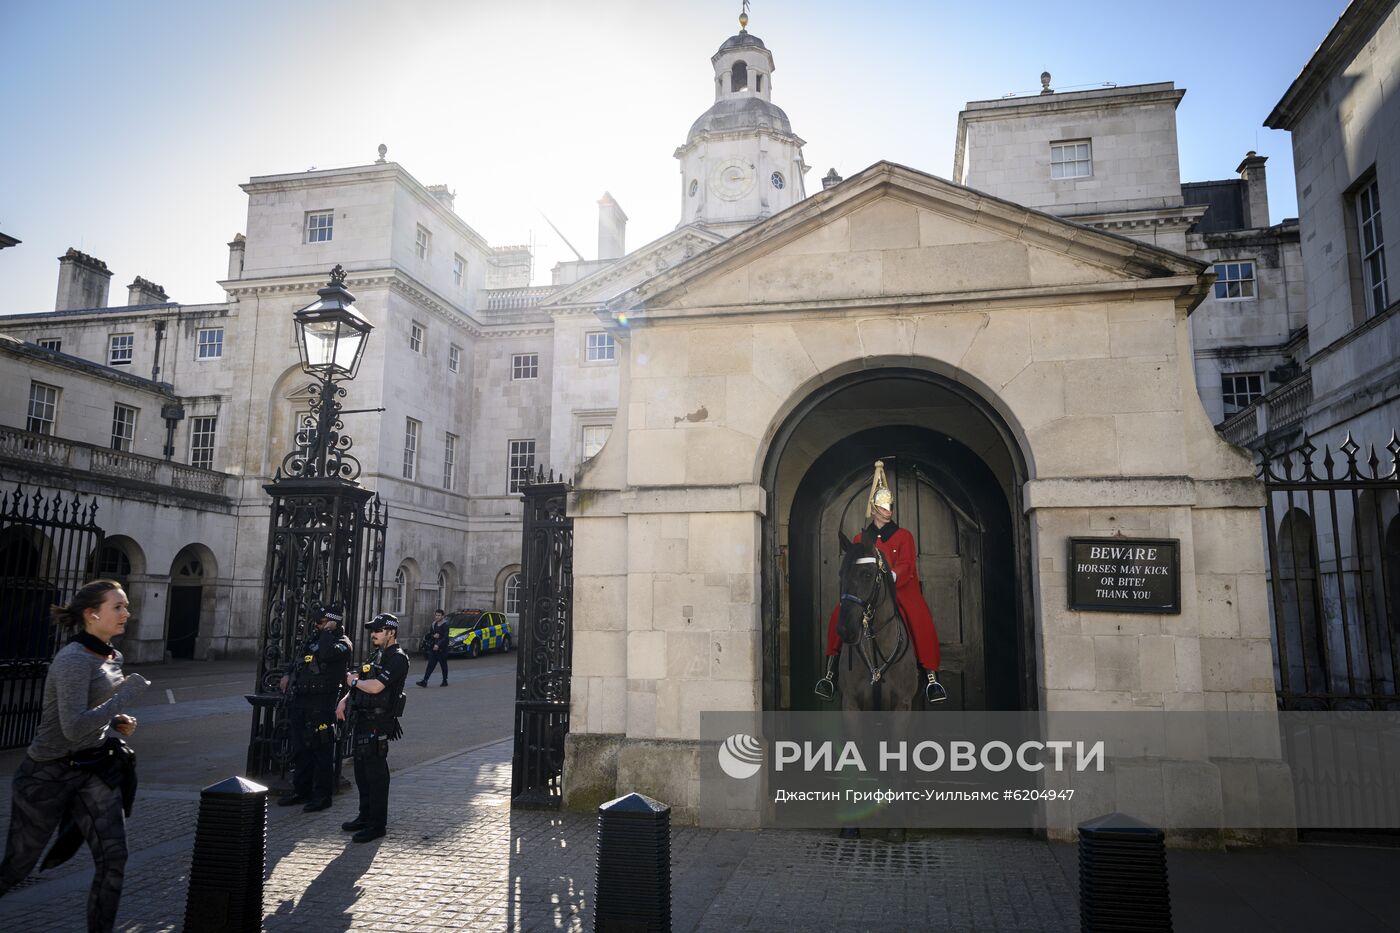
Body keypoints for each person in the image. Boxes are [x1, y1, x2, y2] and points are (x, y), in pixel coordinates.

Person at [0, 579, 151, 933]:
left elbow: (91, 713)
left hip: (92, 770)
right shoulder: (72, 661)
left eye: (126, 605)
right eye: (118, 607)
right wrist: (125, 695)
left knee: (114, 859)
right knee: (18, 866)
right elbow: (72, 728)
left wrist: (116, 721)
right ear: (91, 613)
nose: (126, 613)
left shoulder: (113, 656)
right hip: (46, 775)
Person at [818, 460, 948, 704]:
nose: (887, 511)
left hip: (899, 589)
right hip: (867, 591)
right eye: (882, 507)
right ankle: (830, 673)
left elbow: (908, 566)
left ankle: (931, 677)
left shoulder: (904, 536)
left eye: (889, 507)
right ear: (873, 509)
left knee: (921, 619)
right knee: (839, 614)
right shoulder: (860, 537)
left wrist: (889, 576)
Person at [337, 612, 409, 843]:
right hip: (363, 719)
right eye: (372, 631)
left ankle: (377, 825)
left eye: (378, 631)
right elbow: (361, 677)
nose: (373, 635)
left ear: (391, 632)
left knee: (376, 775)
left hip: (379, 722)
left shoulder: (397, 658)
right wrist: (346, 698)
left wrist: (354, 682)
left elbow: (376, 686)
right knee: (361, 772)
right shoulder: (377, 654)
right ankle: (365, 816)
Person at [278, 605, 353, 812]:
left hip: (323, 704)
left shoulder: (342, 643)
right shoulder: (313, 640)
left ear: (332, 622)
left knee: (321, 750)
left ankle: (322, 796)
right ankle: (301, 791)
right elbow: (298, 660)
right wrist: (287, 674)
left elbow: (328, 654)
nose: (317, 626)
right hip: (302, 701)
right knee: (300, 748)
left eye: (321, 622)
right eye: (317, 623)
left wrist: (328, 632)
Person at [417, 608, 449, 687]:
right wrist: (433, 636)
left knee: (443, 665)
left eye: (439, 615)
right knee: (430, 665)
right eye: (436, 615)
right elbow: (430, 634)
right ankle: (425, 681)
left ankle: (445, 680)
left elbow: (445, 637)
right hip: (433, 648)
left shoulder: (445, 625)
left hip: (442, 649)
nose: (437, 617)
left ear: (442, 616)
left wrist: (438, 644)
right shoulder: (434, 624)